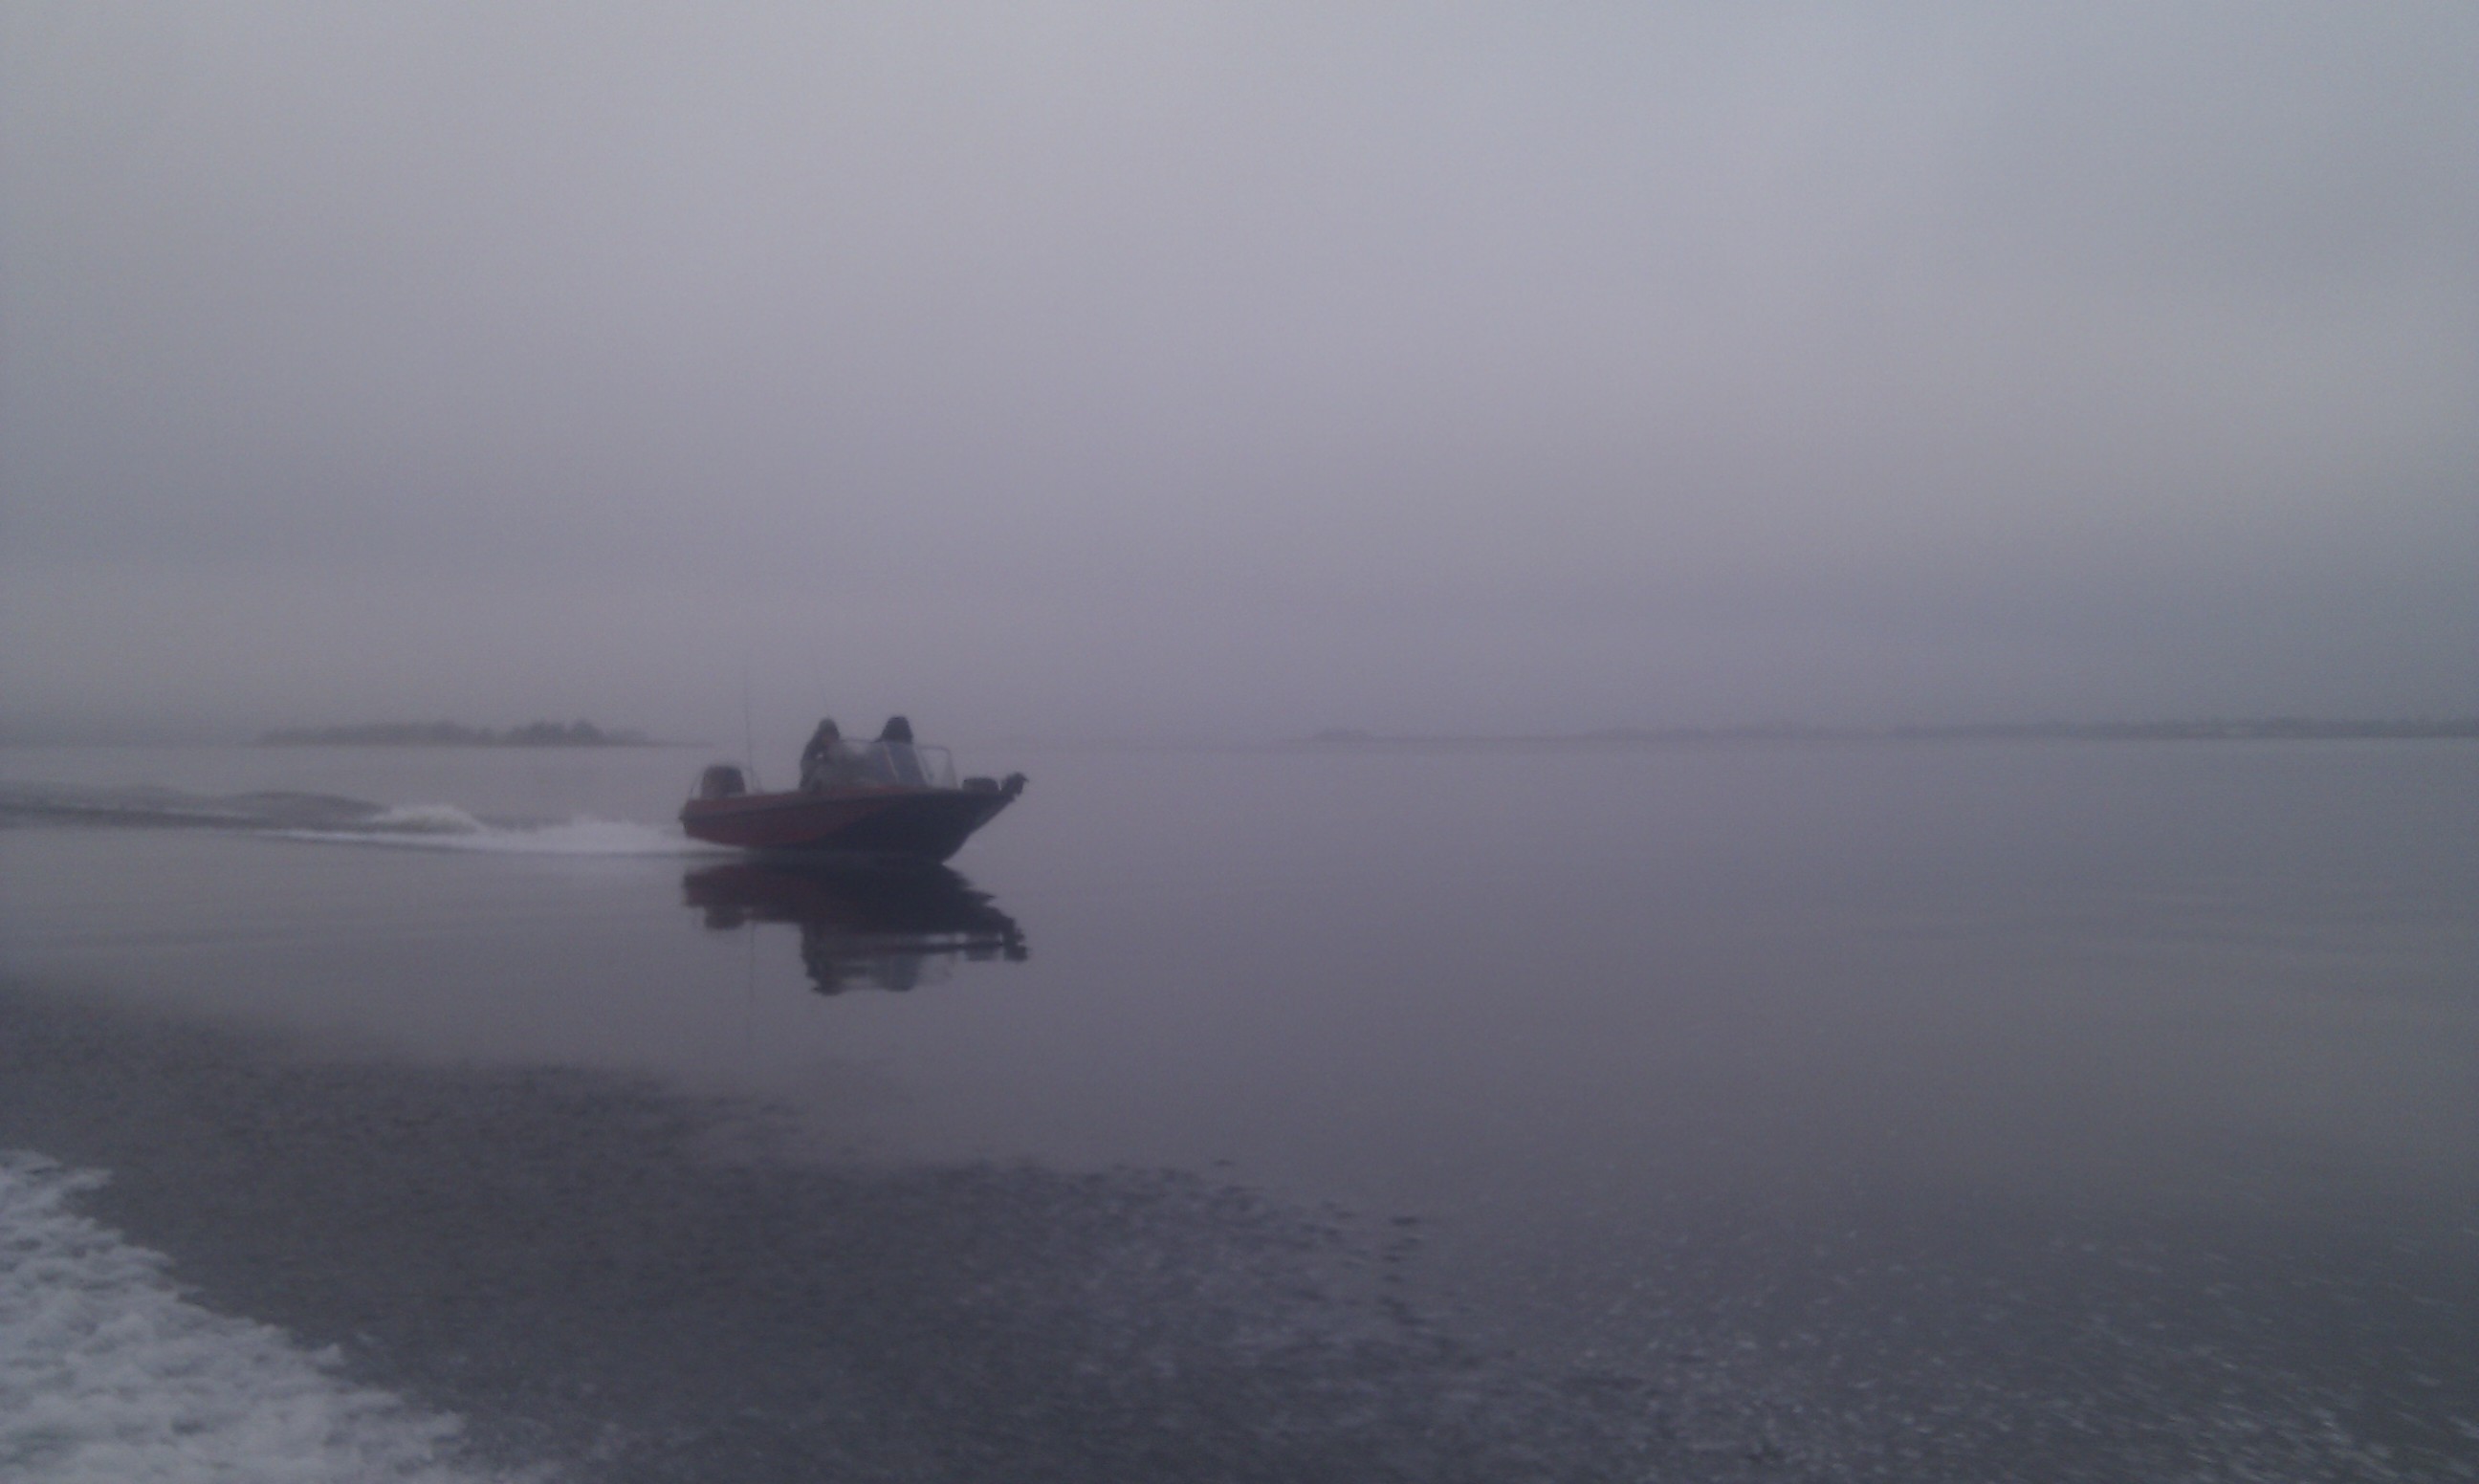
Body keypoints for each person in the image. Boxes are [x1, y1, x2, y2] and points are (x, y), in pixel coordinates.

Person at [800, 718, 858, 791]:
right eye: (826, 734)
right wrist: (821, 764)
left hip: (841, 784)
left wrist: (857, 761)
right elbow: (806, 764)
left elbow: (851, 758)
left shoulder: (841, 747)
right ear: (820, 736)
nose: (829, 737)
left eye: (832, 734)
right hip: (816, 787)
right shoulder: (812, 747)